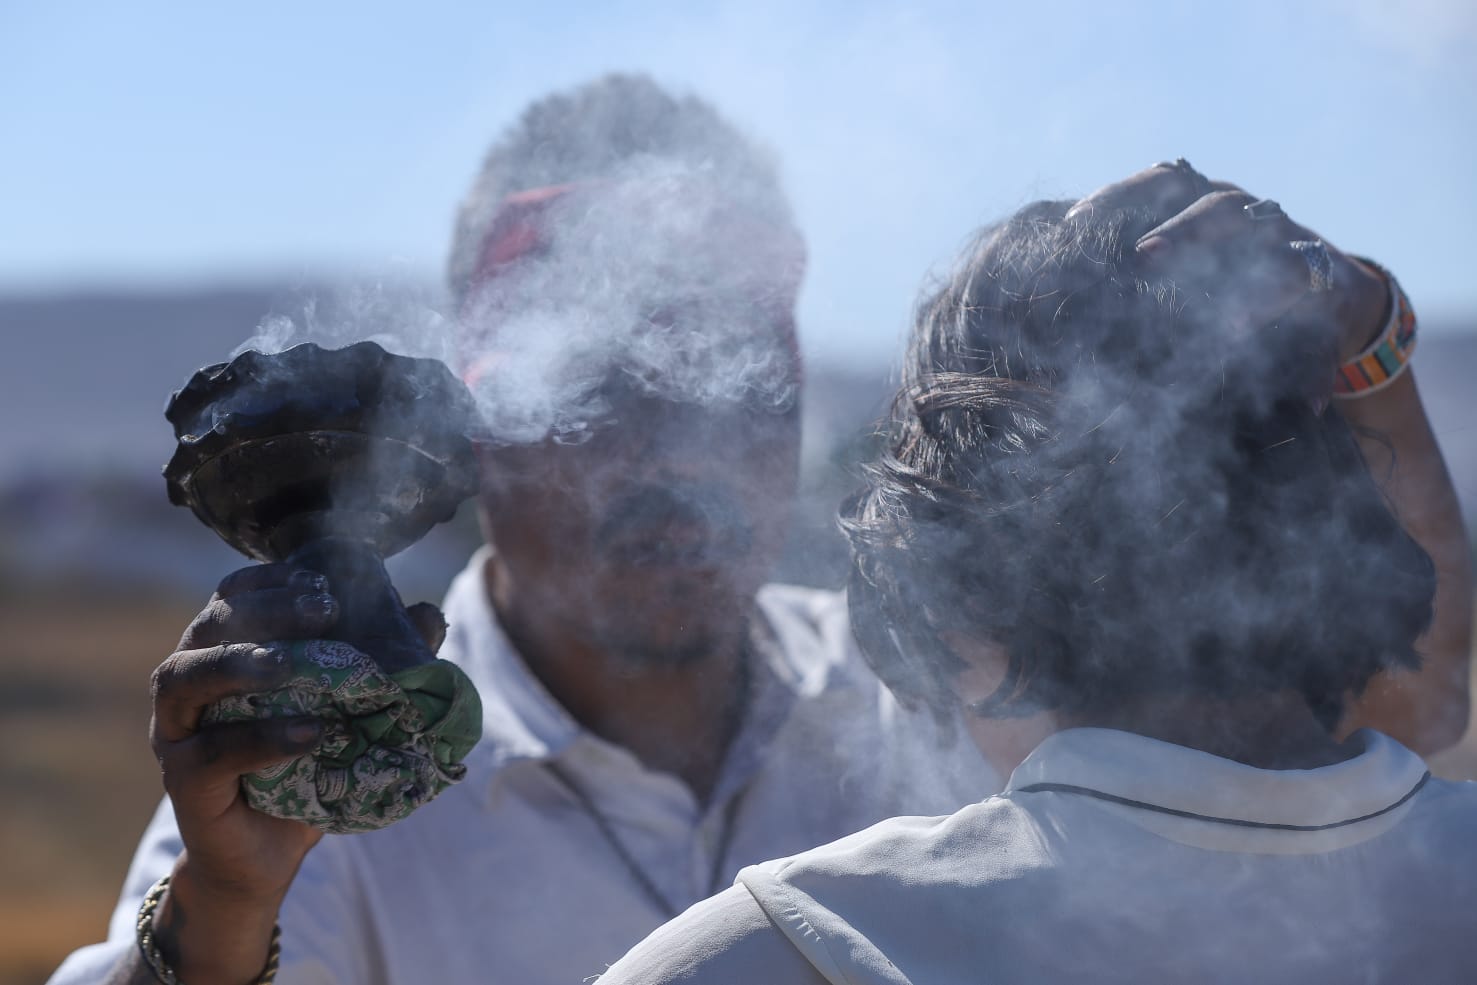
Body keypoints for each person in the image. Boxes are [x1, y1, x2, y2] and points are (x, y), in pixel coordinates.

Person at [47, 75, 995, 985]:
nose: (679, 457)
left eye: (735, 385)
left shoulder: (927, 705)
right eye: (603, 391)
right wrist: (219, 911)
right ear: (478, 426)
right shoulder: (341, 757)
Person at [599, 162, 1477, 983]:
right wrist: (1368, 328)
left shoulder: (794, 949)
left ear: (955, 568)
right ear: (1331, 515)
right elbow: (1426, 699)